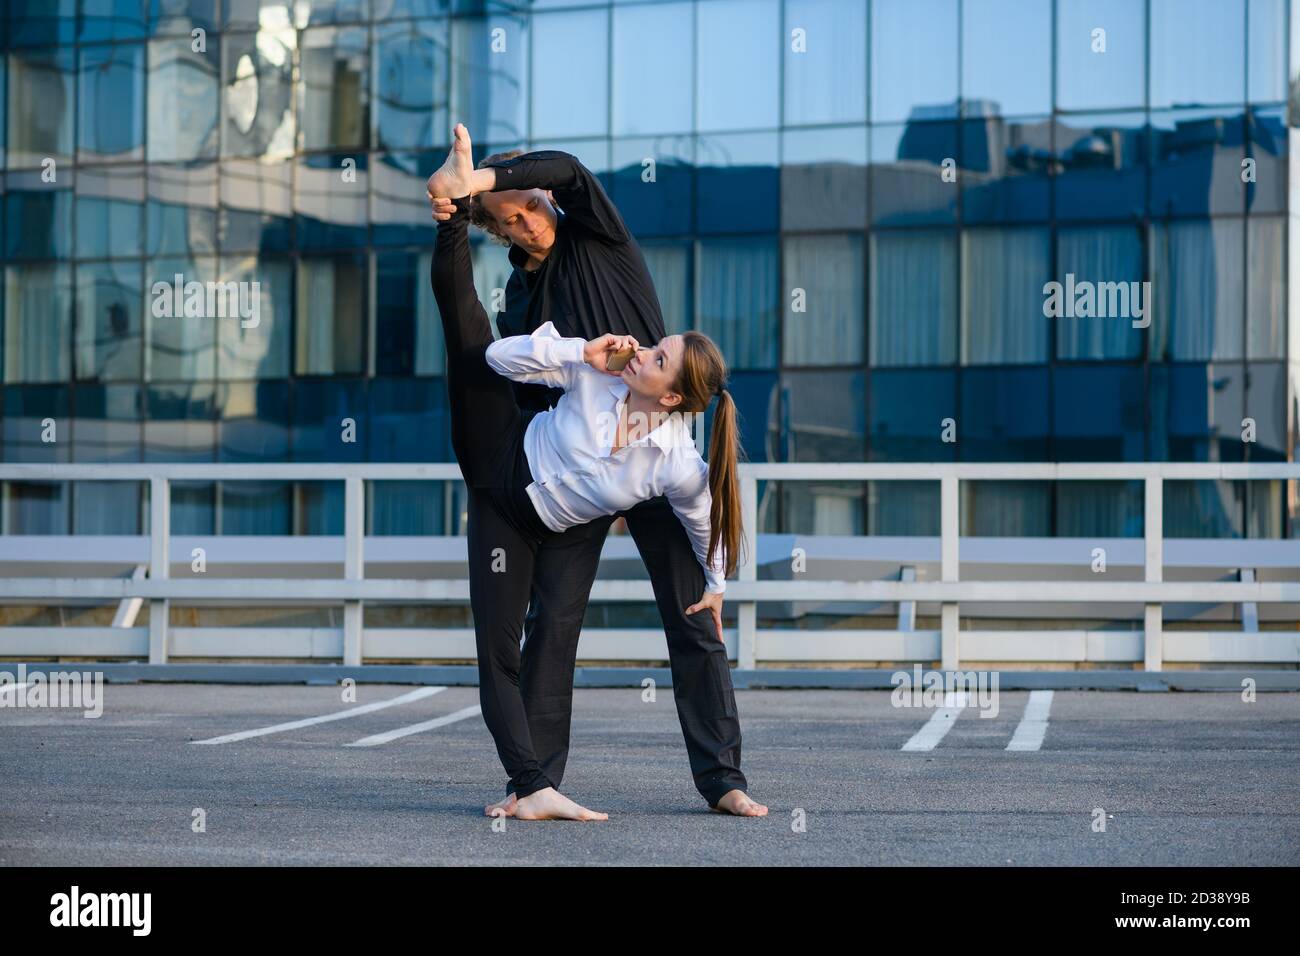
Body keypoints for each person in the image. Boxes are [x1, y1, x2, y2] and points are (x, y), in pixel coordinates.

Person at [427, 124, 766, 818]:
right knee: (552, 618)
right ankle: (537, 782)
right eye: (510, 220)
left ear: (547, 199)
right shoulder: (520, 301)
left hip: (654, 464)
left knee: (695, 609)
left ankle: (722, 777)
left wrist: (478, 183)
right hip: (581, 465)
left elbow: (573, 170)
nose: (527, 222)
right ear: (499, 233)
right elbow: (518, 393)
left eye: (531, 204)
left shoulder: (597, 238)